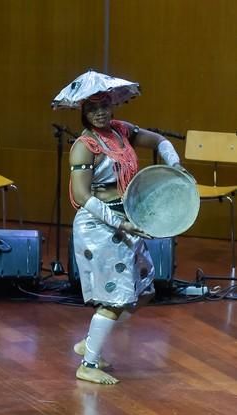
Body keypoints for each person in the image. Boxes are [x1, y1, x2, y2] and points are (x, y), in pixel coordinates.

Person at [68, 91, 188, 385]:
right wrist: (118, 222)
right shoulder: (84, 147)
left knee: (144, 291)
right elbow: (83, 196)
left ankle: (90, 341)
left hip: (127, 218)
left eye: (104, 106)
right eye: (93, 108)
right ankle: (88, 363)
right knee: (115, 298)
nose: (100, 113)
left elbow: (161, 141)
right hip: (100, 224)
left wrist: (175, 165)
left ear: (113, 106)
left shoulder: (123, 131)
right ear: (83, 111)